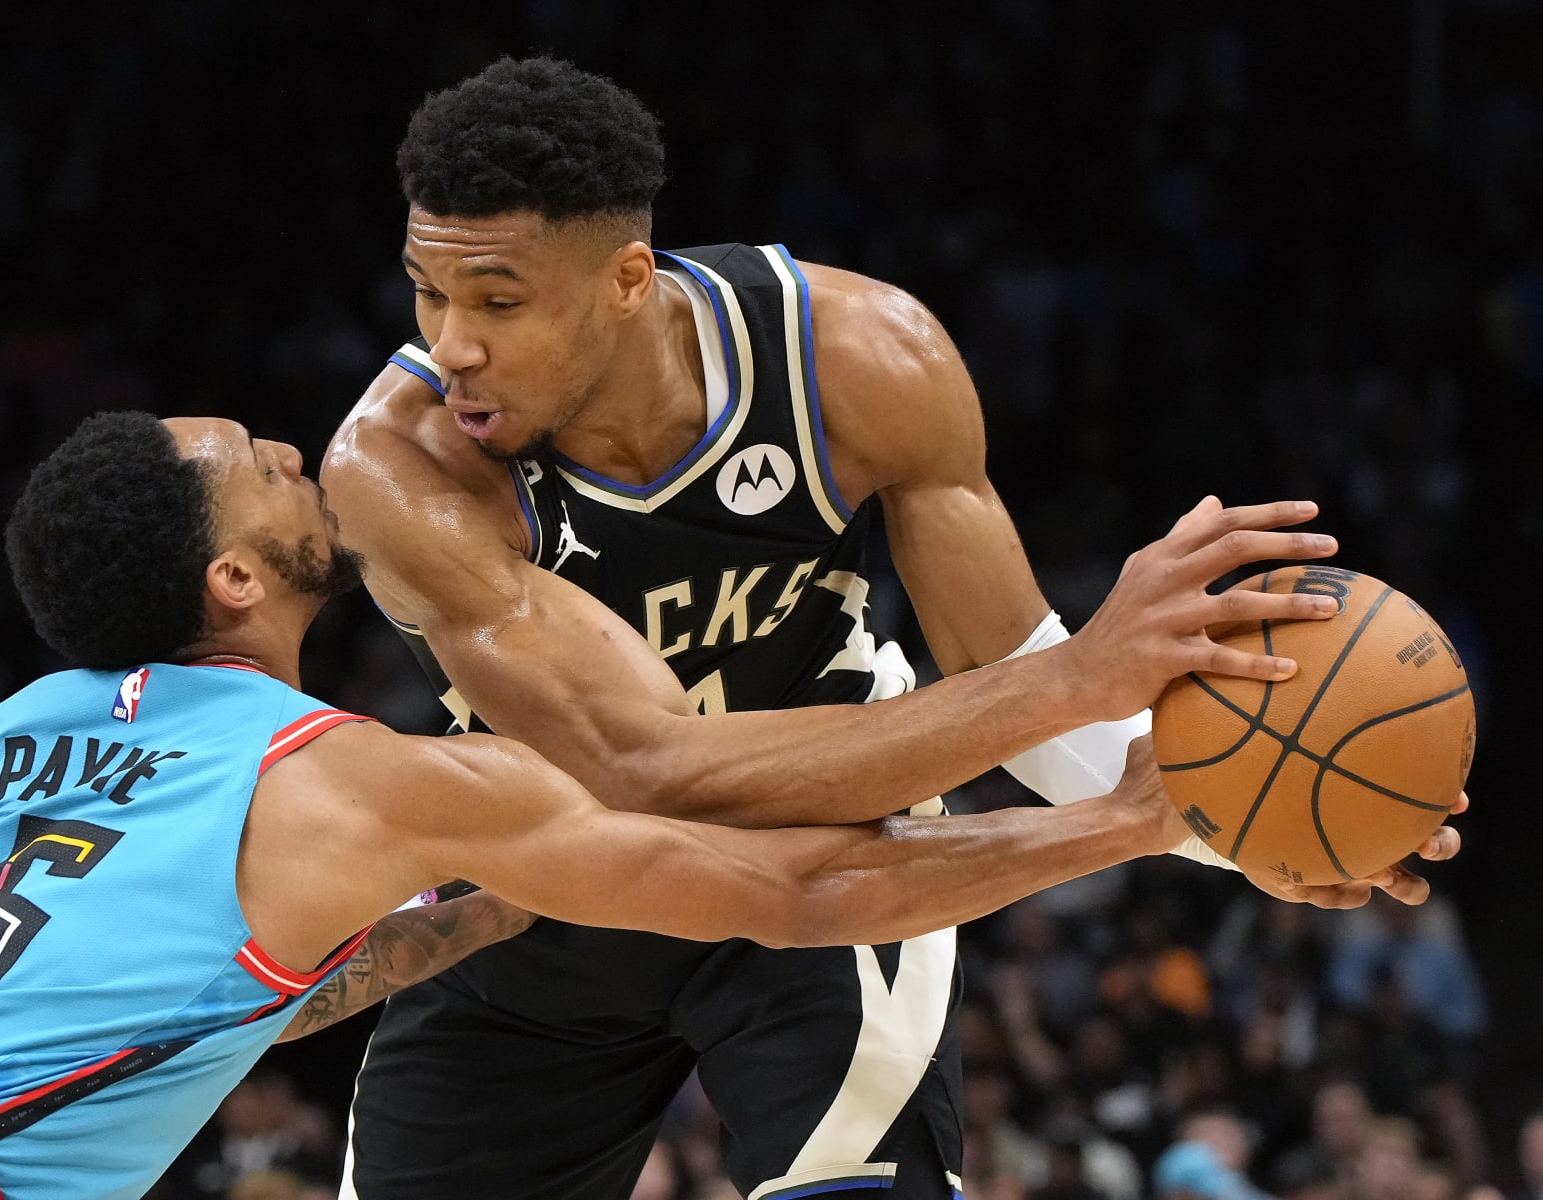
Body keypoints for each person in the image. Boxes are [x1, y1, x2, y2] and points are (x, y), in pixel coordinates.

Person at [320, 56, 1465, 1200]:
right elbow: (642, 768)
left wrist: (1244, 818)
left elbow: (1001, 664)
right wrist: (1079, 685)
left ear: (627, 278)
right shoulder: (401, 468)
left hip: (844, 862)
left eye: (498, 302)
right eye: (431, 294)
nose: (453, 342)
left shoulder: (854, 360)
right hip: (547, 899)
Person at [0, 412, 1190, 1200]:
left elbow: (207, 988)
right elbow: (804, 898)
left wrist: (486, 908)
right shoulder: (351, 782)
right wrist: (1123, 819)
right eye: (257, 466)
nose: (294, 455)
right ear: (231, 584)